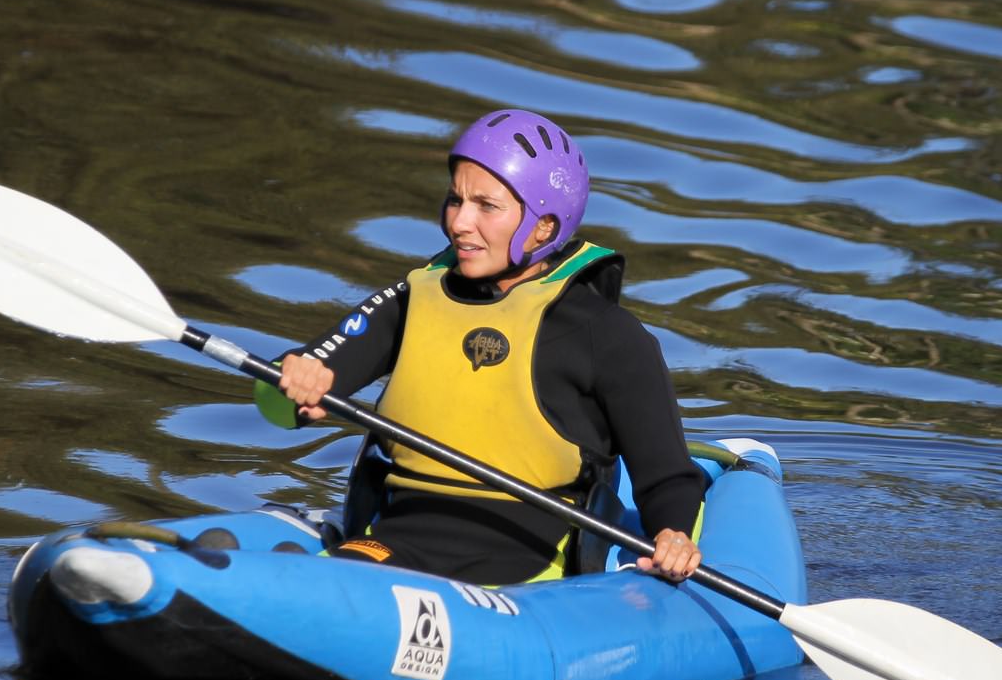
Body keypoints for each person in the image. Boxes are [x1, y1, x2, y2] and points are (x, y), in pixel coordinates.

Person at [257, 108, 705, 586]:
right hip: (397, 538)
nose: (460, 223)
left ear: (544, 228)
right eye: (455, 200)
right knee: (316, 577)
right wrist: (296, 383)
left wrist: (674, 537)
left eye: (486, 206)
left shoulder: (607, 334)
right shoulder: (413, 299)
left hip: (526, 567)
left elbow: (668, 477)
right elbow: (280, 401)